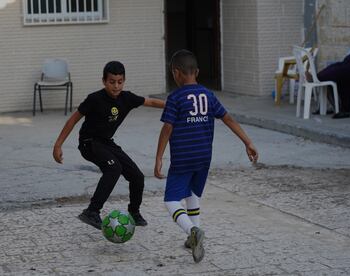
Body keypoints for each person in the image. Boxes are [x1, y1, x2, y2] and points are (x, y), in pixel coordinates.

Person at [154, 50, 258, 263]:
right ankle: (194, 236)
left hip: (183, 156)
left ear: (176, 73)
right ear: (197, 72)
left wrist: (159, 157)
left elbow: (167, 128)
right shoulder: (209, 95)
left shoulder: (175, 97)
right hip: (204, 156)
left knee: (171, 200)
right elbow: (227, 118)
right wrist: (247, 142)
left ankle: (192, 230)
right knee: (192, 193)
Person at [53, 61, 165, 230]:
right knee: (114, 168)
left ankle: (134, 212)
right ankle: (91, 211)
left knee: (137, 176)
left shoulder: (127, 98)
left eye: (120, 81)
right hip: (89, 143)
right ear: (104, 81)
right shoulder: (94, 99)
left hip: (107, 143)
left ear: (124, 81)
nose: (116, 86)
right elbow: (73, 120)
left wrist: (174, 105)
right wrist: (58, 145)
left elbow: (150, 102)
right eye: (112, 82)